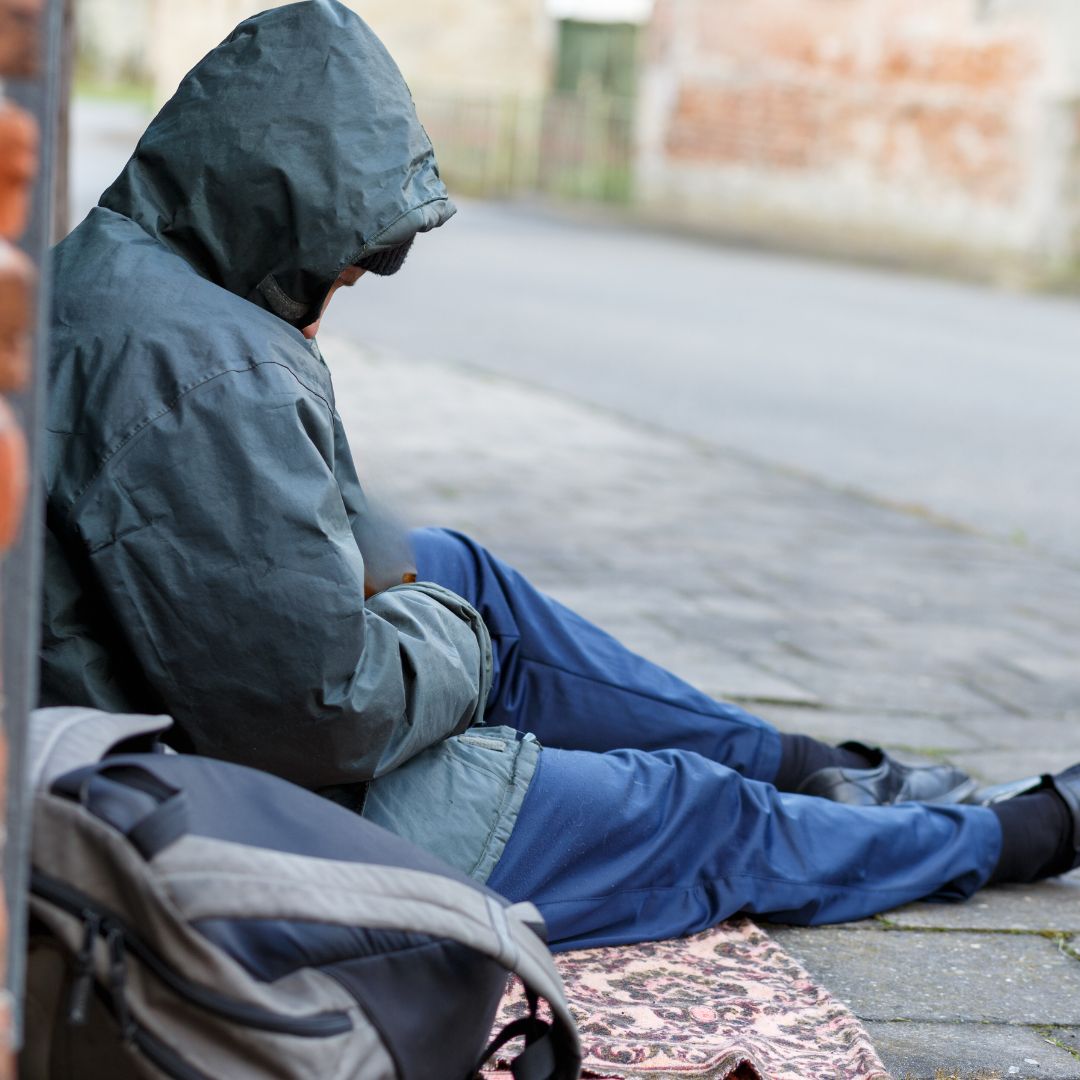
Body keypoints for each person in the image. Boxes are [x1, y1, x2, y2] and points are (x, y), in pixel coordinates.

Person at [42, 0, 1079, 951]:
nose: (351, 280)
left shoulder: (133, 277)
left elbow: (276, 535)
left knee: (458, 568)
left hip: (168, 726)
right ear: (281, 210)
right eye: (347, 258)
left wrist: (424, 593)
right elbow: (320, 719)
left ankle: (810, 767)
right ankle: (998, 839)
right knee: (687, 809)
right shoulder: (206, 366)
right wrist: (458, 644)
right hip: (220, 812)